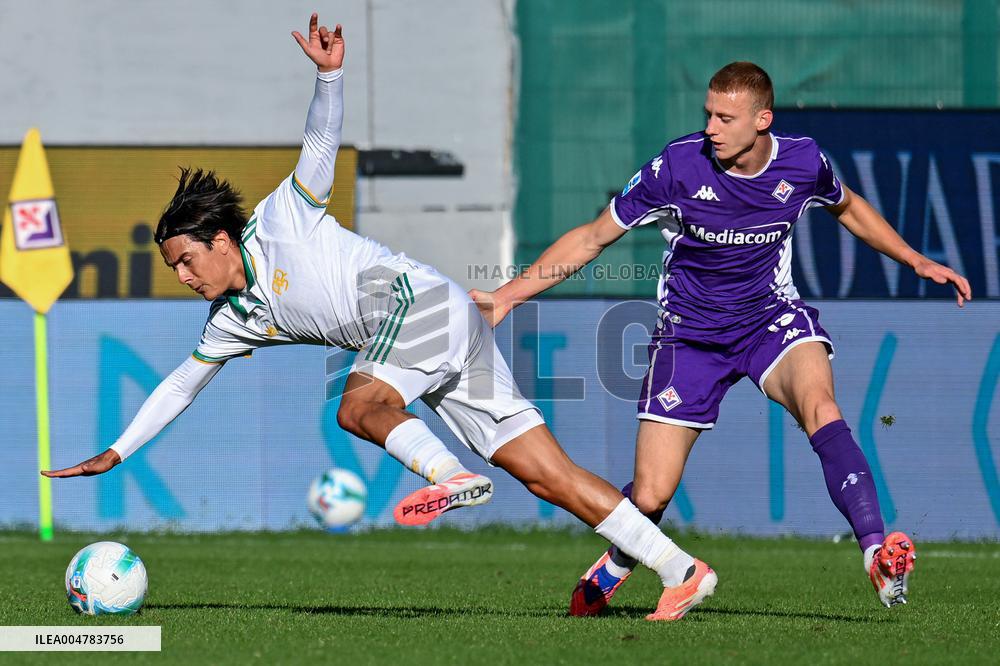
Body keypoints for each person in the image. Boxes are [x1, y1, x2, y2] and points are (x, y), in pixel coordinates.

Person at [41, 14, 717, 622]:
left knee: (356, 407)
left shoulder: (283, 216)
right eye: (174, 271)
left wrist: (330, 76)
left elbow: (320, 140)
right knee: (548, 476)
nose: (184, 278)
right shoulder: (232, 319)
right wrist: (118, 451)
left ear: (220, 240)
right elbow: (182, 384)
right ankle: (680, 570)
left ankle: (448, 477)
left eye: (186, 261)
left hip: (418, 308)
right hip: (444, 333)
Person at [470, 62, 972, 614]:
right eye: (708, 113)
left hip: (769, 321)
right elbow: (592, 238)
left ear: (763, 120)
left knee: (821, 406)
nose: (711, 127)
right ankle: (614, 567)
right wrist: (508, 297)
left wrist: (916, 260)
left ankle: (875, 553)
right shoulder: (678, 167)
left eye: (725, 117)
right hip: (690, 337)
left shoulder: (803, 161)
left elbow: (848, 207)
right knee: (653, 492)